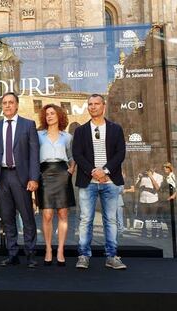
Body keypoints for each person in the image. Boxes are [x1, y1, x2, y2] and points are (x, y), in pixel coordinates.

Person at [72, 93, 127, 270]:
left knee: (110, 220)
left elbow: (120, 153)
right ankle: (83, 256)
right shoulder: (80, 131)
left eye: (96, 103)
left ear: (103, 106)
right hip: (88, 182)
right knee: (85, 219)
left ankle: (112, 256)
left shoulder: (115, 129)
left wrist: (105, 171)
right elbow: (77, 155)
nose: (93, 107)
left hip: (110, 182)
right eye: (90, 104)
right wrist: (93, 171)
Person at [0, 92, 40, 268]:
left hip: (22, 177)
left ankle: (31, 254)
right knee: (7, 217)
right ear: (1, 106)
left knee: (27, 217)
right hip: (2, 177)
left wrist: (34, 178)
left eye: (11, 102)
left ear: (17, 105)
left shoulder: (28, 125)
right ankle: (12, 254)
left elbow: (34, 154)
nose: (8, 105)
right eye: (4, 103)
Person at [37, 104, 75, 266]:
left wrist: (70, 171)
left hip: (62, 173)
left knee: (63, 214)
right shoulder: (39, 135)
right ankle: (48, 249)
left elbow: (72, 157)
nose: (49, 116)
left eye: (52, 113)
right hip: (44, 174)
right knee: (47, 215)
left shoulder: (67, 137)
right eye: (47, 114)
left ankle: (60, 250)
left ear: (59, 116)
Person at [135, 167, 163, 238]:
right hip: (143, 200)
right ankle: (144, 234)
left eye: (151, 169)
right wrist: (139, 178)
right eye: (147, 169)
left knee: (154, 218)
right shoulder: (142, 176)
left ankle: (154, 235)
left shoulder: (159, 176)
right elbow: (136, 187)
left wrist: (151, 177)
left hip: (153, 200)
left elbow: (157, 188)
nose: (148, 171)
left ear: (154, 169)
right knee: (143, 218)